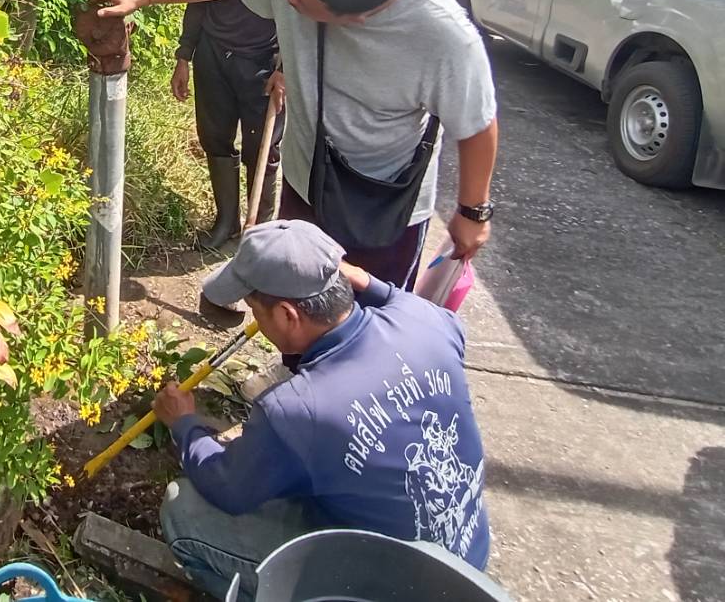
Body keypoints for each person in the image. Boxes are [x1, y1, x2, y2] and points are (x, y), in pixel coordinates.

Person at [91, 0, 497, 288]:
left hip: (386, 204)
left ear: (352, 18)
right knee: (293, 297)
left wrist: (472, 212)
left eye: (300, 2)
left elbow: (477, 125)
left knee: (373, 315)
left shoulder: (445, 38)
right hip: (307, 182)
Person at [153, 220, 490, 601]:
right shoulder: (427, 320)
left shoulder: (297, 409)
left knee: (183, 508)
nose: (256, 321)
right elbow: (396, 299)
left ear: (287, 315)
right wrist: (365, 280)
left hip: (397, 591)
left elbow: (228, 488)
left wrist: (184, 425)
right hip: (466, 564)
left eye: (255, 310)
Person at [175, 0, 310, 250]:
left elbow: (306, 11)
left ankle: (258, 233)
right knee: (215, 139)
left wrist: (286, 68)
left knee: (262, 147)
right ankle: (226, 222)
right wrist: (184, 55)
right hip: (214, 53)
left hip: (265, 60)